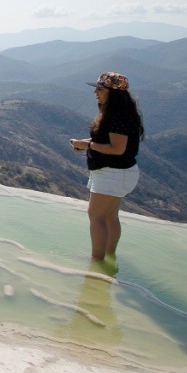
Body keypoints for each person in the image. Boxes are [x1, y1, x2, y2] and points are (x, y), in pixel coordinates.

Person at [70, 72, 144, 261]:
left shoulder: (117, 116)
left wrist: (86, 145)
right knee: (110, 216)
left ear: (114, 93)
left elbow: (117, 148)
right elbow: (105, 141)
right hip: (119, 173)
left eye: (100, 89)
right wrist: (83, 143)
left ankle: (97, 260)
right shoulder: (119, 113)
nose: (96, 92)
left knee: (96, 216)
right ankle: (109, 255)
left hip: (112, 173)